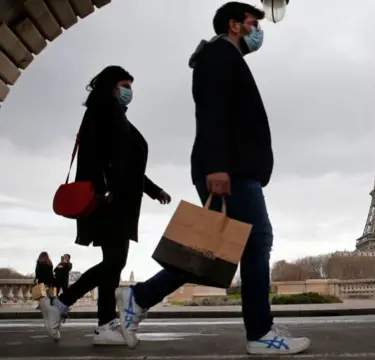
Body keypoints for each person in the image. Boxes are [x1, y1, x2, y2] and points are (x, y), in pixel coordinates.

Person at [114, 2, 310, 355]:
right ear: (235, 25)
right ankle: (260, 333)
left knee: (213, 249)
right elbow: (213, 110)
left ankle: (138, 298)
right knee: (255, 240)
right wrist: (217, 166)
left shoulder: (224, 57)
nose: (257, 31)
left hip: (233, 167)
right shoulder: (219, 55)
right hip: (230, 169)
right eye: (253, 23)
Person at [39, 66, 172, 346]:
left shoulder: (114, 115)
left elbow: (129, 166)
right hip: (108, 201)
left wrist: (153, 190)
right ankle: (64, 305)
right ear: (111, 86)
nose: (129, 92)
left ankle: (101, 325)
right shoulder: (102, 114)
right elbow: (98, 158)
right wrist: (106, 191)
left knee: (114, 264)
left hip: (117, 200)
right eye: (125, 85)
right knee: (114, 262)